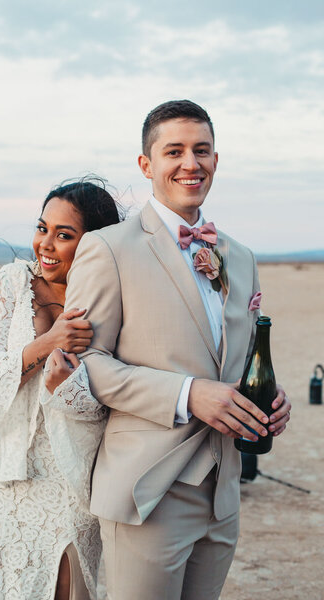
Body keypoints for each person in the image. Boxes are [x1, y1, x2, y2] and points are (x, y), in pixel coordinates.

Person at [64, 100, 292, 600]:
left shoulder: (241, 256)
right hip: (150, 490)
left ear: (216, 160)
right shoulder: (108, 248)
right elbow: (84, 365)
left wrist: (271, 400)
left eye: (202, 150)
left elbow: (244, 354)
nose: (191, 163)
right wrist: (190, 394)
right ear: (147, 165)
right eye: (175, 151)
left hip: (224, 491)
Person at [0, 178, 121, 600]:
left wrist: (61, 384)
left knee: (65, 586)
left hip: (71, 472)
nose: (45, 244)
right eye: (42, 228)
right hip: (8, 475)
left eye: (64, 235)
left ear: (94, 245)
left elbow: (108, 401)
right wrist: (49, 343)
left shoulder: (108, 301)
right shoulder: (11, 283)